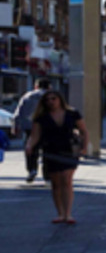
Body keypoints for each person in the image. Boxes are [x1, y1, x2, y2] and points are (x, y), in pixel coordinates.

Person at [24, 90, 88, 224]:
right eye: (47, 100)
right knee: (56, 183)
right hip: (51, 150)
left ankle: (68, 214)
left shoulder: (72, 114)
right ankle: (60, 213)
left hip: (69, 149)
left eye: (53, 99)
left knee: (67, 179)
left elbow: (83, 130)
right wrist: (30, 145)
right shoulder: (41, 117)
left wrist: (84, 147)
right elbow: (35, 135)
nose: (51, 102)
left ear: (60, 99)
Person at [13, 85, 45, 183]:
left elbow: (18, 112)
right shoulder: (50, 96)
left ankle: (32, 169)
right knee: (48, 150)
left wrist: (16, 125)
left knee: (30, 148)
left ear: (36, 86)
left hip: (29, 127)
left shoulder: (26, 96)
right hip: (45, 127)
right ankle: (48, 173)